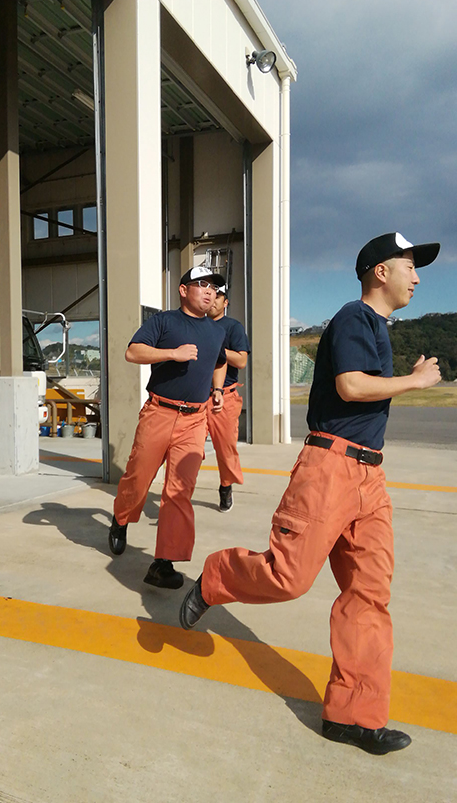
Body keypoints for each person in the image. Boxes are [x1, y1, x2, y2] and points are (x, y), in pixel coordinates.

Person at [179, 232, 442, 754]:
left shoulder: (381, 327)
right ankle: (217, 577)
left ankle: (353, 716)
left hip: (371, 476)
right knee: (288, 576)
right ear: (379, 272)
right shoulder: (352, 318)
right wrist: (414, 383)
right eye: (409, 266)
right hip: (329, 468)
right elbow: (350, 386)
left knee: (369, 595)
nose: (417, 276)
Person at [108, 266, 228, 589]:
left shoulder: (217, 331)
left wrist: (217, 391)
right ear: (183, 289)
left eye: (214, 287)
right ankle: (121, 519)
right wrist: (172, 354)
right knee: (138, 477)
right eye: (202, 284)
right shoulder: (164, 322)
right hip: (159, 413)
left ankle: (163, 563)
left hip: (194, 420)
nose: (209, 291)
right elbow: (132, 352)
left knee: (179, 492)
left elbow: (220, 362)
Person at [206, 285, 250, 512]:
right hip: (193, 397)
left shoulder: (233, 327)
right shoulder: (195, 324)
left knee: (225, 448)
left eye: (218, 296)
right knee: (185, 449)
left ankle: (226, 486)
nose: (213, 300)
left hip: (224, 397)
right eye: (210, 294)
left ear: (226, 302)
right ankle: (178, 494)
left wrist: (217, 350)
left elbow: (241, 360)